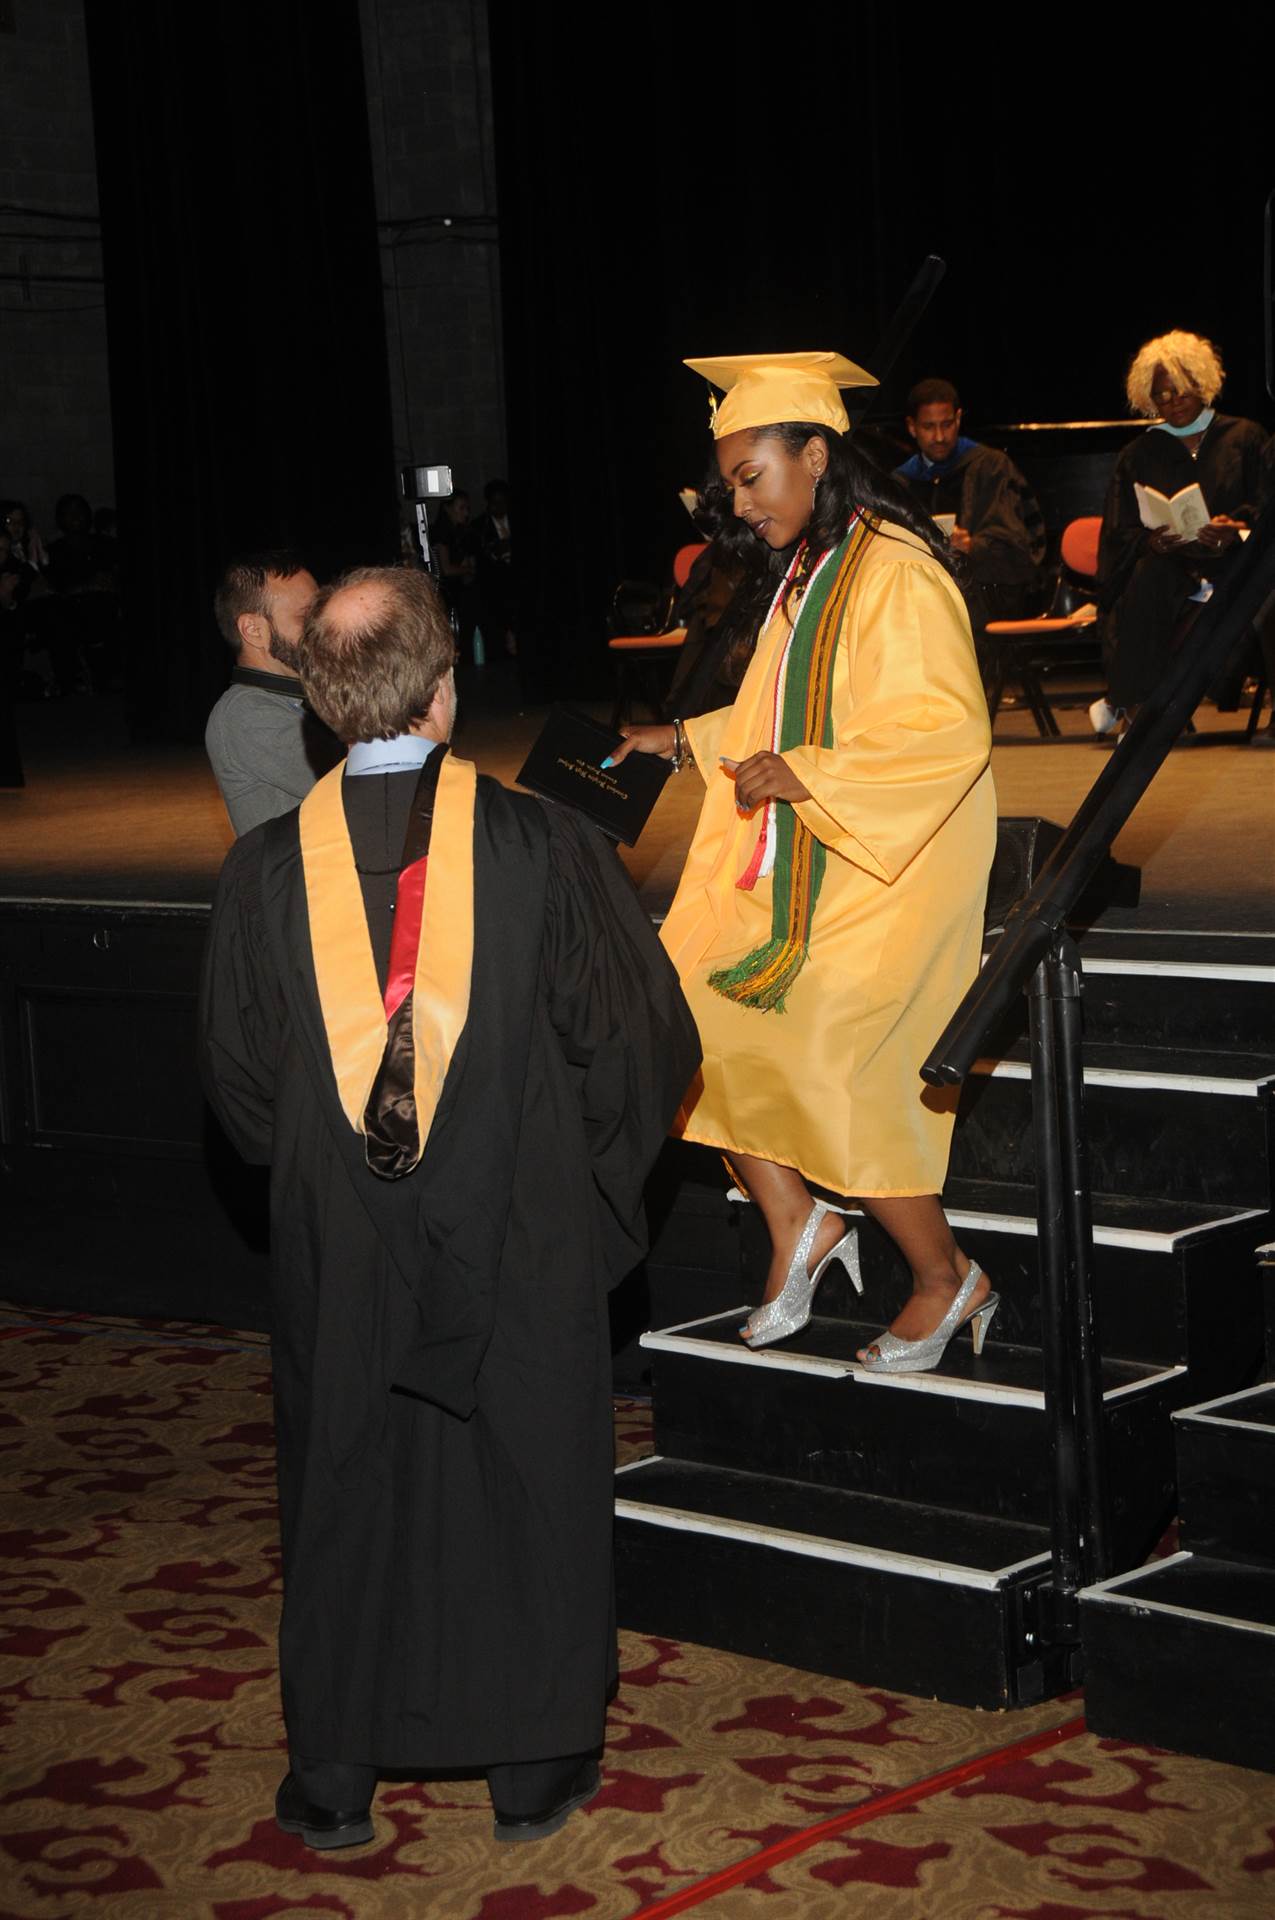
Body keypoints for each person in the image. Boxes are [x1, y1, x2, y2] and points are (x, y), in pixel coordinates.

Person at [199, 563, 698, 1851]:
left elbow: (243, 1097)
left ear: (320, 701)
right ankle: (532, 1767)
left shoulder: (260, 875)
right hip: (521, 1229)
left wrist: (334, 1186)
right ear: (447, 689)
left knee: (345, 1486)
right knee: (522, 1473)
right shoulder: (548, 845)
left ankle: (338, 1778)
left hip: (336, 1243)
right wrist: (566, 1211)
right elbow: (638, 1053)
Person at [612, 350, 997, 1374]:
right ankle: (801, 1223)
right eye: (730, 482)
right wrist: (685, 743)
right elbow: (769, 714)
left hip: (889, 871)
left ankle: (943, 1275)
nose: (738, 502)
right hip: (811, 857)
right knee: (679, 1008)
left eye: (752, 477)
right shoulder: (812, 571)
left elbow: (944, 732)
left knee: (832, 1053)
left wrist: (810, 773)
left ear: (816, 455)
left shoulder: (898, 571)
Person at [1091, 330, 1272, 739]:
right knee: (1146, 577)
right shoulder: (1139, 452)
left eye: (1181, 392)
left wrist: (1236, 530)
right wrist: (1148, 541)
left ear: (1201, 385)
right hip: (1173, 564)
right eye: (1162, 396)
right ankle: (1136, 709)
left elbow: (1267, 506)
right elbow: (1119, 529)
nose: (1172, 403)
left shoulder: (1246, 438)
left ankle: (1117, 703)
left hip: (1235, 563)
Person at [894, 378, 1046, 627]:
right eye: (929, 427)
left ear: (958, 418)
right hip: (922, 605)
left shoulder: (991, 468)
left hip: (986, 603)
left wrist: (973, 546)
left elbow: (1020, 546)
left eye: (947, 424)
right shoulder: (902, 482)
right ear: (912, 427)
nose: (940, 436)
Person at [205, 550, 337, 834]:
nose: (323, 628)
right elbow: (361, 780)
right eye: (306, 618)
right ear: (253, 630)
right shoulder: (242, 713)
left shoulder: (306, 693)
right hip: (304, 877)